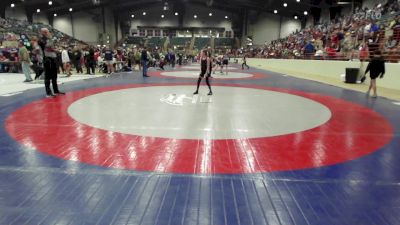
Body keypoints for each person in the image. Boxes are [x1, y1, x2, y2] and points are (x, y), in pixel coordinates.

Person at [38, 28, 65, 97]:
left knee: (54, 75)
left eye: (47, 32)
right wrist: (54, 49)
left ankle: (56, 90)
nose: (48, 33)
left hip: (53, 58)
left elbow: (51, 48)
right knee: (48, 76)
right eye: (46, 32)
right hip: (47, 59)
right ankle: (48, 92)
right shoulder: (41, 40)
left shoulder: (49, 39)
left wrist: (54, 49)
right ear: (42, 32)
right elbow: (47, 48)